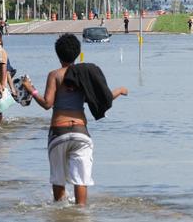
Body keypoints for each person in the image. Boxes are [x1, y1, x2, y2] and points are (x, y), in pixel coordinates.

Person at [21, 33, 128, 206]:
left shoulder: (54, 75)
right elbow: (103, 98)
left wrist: (30, 89)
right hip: (81, 133)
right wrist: (120, 90)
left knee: (58, 178)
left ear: (57, 54)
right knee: (81, 180)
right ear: (78, 52)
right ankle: (81, 215)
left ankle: (61, 214)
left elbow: (47, 104)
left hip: (59, 132)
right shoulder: (83, 75)